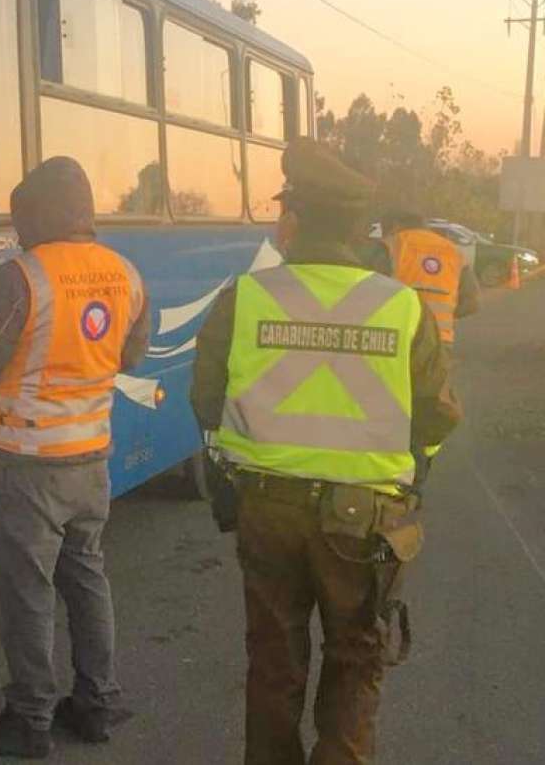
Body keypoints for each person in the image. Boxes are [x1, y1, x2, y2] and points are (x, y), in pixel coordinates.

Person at [190, 138, 461, 765]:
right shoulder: (402, 307)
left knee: (275, 665)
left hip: (267, 511)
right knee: (355, 662)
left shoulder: (246, 297)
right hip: (362, 521)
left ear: (297, 219)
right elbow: (439, 415)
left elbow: (206, 397)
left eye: (283, 210)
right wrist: (409, 470)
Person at [0, 156, 150, 758]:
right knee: (87, 577)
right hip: (91, 458)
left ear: (35, 214)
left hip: (29, 463)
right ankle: (97, 703)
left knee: (28, 591)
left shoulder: (19, 279)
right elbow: (129, 356)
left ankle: (29, 719)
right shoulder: (125, 273)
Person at [379, 209, 480, 347]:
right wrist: (445, 316)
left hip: (398, 336)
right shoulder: (454, 251)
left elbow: (368, 291)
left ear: (396, 225)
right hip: (440, 339)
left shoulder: (391, 245)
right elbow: (471, 303)